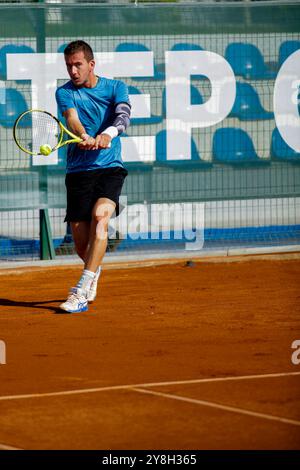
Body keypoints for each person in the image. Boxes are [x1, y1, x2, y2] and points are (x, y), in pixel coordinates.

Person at [55, 40, 131, 313]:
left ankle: (81, 290)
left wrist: (108, 134)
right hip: (78, 172)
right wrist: (85, 135)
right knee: (81, 244)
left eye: (77, 65)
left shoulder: (115, 87)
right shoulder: (64, 92)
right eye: (69, 66)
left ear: (91, 64)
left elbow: (123, 115)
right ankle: (93, 269)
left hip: (110, 167)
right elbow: (72, 119)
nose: (73, 71)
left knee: (101, 218)